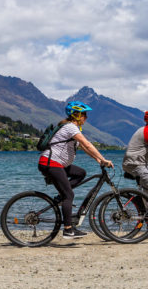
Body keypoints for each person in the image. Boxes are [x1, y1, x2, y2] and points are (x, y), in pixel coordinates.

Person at [38, 100, 114, 239]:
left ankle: (61, 196)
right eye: (84, 114)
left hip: (57, 164)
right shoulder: (70, 127)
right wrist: (103, 159)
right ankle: (68, 230)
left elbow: (85, 148)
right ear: (77, 115)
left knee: (80, 173)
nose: (86, 117)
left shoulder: (72, 128)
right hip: (51, 164)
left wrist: (98, 160)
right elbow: (88, 144)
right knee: (69, 196)